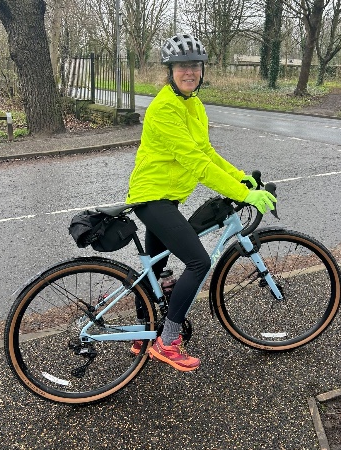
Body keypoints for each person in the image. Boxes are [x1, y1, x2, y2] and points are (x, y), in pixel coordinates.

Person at [125, 33, 276, 372]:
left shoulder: (193, 104)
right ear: (170, 71)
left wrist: (240, 177)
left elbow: (206, 152)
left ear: (202, 70)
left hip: (166, 198)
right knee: (198, 263)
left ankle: (142, 336)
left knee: (156, 271)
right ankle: (167, 342)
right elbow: (196, 163)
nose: (189, 72)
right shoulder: (164, 108)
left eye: (194, 65)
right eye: (181, 67)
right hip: (152, 198)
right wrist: (244, 195)